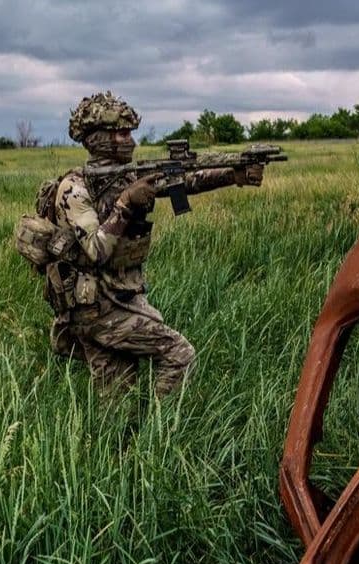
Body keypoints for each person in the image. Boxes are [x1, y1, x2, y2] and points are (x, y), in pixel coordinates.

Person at [42, 92, 265, 396]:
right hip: (95, 309)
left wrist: (233, 174)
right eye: (121, 133)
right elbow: (96, 250)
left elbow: (184, 182)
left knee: (116, 404)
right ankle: (161, 435)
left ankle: (127, 442)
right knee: (179, 355)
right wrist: (125, 204)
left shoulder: (126, 175)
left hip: (119, 299)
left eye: (130, 133)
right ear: (98, 138)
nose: (130, 141)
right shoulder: (73, 189)